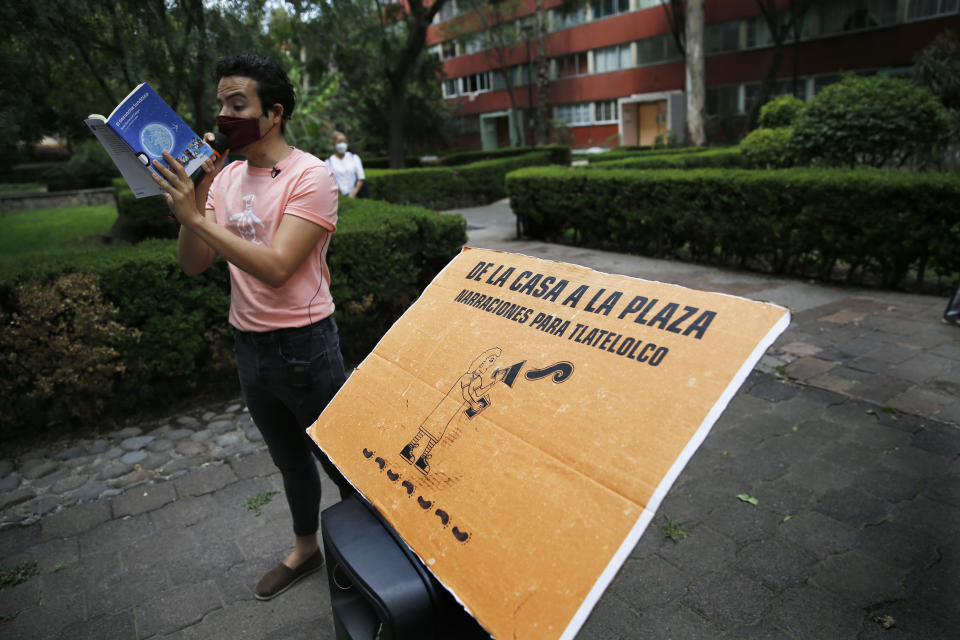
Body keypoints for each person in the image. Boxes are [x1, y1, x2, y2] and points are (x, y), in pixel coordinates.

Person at [149, 53, 352, 601]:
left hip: (307, 346)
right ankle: (307, 548)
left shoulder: (312, 176)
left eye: (237, 104)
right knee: (289, 460)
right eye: (220, 104)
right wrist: (192, 203)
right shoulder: (225, 176)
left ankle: (370, 557)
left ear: (274, 112)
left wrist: (195, 218)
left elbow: (279, 267)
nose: (222, 115)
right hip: (250, 346)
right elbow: (194, 263)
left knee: (342, 465)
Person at [326, 131, 366, 198]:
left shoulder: (354, 158)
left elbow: (361, 178)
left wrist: (353, 194)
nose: (342, 144)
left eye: (344, 141)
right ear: (333, 143)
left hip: (356, 196)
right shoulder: (328, 163)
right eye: (339, 142)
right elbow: (330, 183)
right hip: (338, 198)